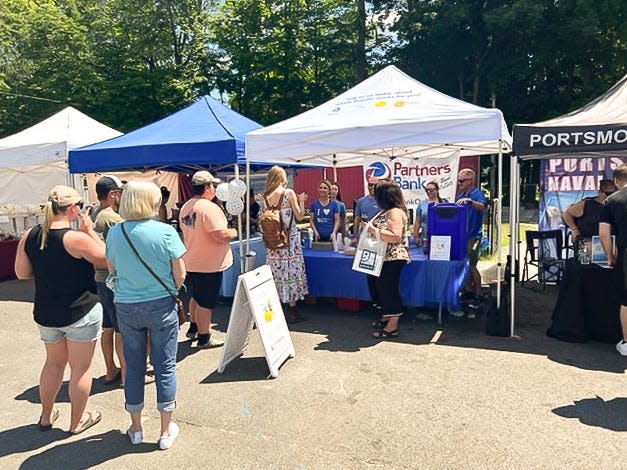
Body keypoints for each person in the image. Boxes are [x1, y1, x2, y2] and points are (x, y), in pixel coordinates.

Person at [14, 185, 106, 434]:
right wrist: (90, 232)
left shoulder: (30, 235)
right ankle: (76, 422)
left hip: (47, 312)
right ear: (74, 208)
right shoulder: (75, 238)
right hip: (80, 311)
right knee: (81, 368)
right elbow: (108, 259)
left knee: (53, 364)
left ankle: (46, 415)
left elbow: (22, 273)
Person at [105, 181, 186, 449]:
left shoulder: (115, 233)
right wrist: (169, 291)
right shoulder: (165, 231)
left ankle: (137, 427)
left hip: (127, 305)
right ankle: (165, 430)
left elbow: (111, 268)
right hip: (160, 304)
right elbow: (180, 273)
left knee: (133, 366)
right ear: (152, 202)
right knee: (164, 367)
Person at [179, 171, 237, 348]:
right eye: (212, 185)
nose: (215, 188)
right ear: (207, 187)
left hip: (191, 260)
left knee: (195, 297)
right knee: (206, 303)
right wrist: (233, 232)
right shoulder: (209, 208)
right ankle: (204, 337)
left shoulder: (186, 206)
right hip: (209, 264)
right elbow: (219, 234)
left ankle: (194, 328)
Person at [263, 166, 309, 323]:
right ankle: (292, 309)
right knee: (290, 271)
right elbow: (300, 216)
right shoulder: (288, 193)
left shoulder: (265, 196)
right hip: (289, 239)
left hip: (273, 241)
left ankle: (275, 308)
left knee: (276, 272)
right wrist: (302, 201)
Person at [366, 180, 410, 339]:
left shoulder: (394, 212)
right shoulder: (386, 211)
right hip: (383, 256)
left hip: (393, 256)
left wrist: (374, 230)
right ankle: (387, 315)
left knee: (388, 288)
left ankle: (393, 326)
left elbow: (395, 236)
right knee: (380, 287)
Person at [93, 175, 125, 387]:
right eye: (120, 192)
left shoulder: (96, 214)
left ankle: (110, 370)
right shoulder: (113, 219)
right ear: (113, 194)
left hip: (99, 279)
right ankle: (127, 376)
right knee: (122, 329)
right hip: (113, 280)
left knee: (107, 327)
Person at [599, 164, 627, 356]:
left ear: (616, 181)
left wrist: (609, 256)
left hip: (626, 254)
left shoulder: (611, 201)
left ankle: (626, 343)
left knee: (626, 300)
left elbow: (603, 233)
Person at [456, 168, 487, 313]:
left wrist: (471, 202)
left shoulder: (476, 194)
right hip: (462, 236)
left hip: (474, 236)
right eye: (458, 180)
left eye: (461, 181)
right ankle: (468, 291)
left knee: (472, 265)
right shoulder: (460, 195)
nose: (459, 183)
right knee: (464, 265)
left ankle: (479, 295)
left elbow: (483, 207)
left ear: (470, 181)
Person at [563, 179, 616, 251]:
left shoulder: (616, 205)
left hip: (609, 243)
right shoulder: (587, 203)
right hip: (586, 241)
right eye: (608, 194)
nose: (612, 196)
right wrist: (574, 229)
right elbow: (566, 214)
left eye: (614, 193)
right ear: (600, 192)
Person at [412, 181, 447, 251]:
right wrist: (415, 236)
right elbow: (417, 222)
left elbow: (448, 220)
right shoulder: (422, 204)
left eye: (431, 190)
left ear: (437, 190)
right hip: (426, 237)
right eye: (426, 190)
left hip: (441, 235)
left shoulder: (444, 203)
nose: (428, 192)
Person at [352, 176, 381, 243]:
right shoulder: (361, 201)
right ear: (368, 186)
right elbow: (357, 220)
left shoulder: (383, 200)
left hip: (379, 236)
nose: (373, 187)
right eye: (370, 185)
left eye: (375, 185)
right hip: (364, 236)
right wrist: (355, 237)